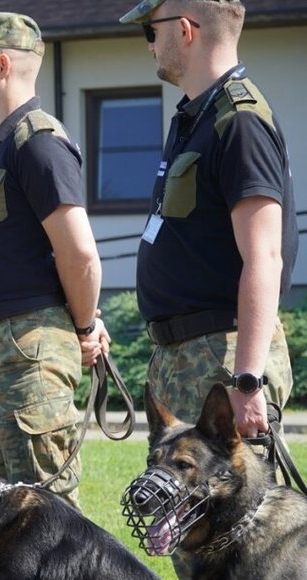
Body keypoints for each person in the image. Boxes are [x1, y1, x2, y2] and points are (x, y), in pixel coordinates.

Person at [0, 12, 106, 509]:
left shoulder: (37, 141)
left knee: (47, 514)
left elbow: (80, 254)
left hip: (29, 347)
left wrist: (84, 327)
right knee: (7, 516)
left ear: (3, 63)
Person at [121, 0, 295, 440]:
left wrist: (248, 379)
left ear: (185, 29)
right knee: (177, 509)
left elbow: (265, 256)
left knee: (236, 509)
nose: (149, 46)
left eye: (151, 31)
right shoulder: (196, 117)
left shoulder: (239, 121)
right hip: (185, 356)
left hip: (223, 356)